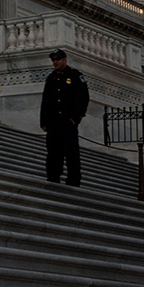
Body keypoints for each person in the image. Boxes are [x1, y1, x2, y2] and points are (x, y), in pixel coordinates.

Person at [40, 48, 89, 185]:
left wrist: (75, 118)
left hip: (67, 122)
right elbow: (46, 100)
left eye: (58, 59)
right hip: (53, 123)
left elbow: (83, 98)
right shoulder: (51, 77)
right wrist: (43, 121)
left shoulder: (74, 76)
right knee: (53, 153)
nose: (55, 62)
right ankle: (53, 176)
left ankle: (73, 179)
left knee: (71, 153)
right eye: (53, 59)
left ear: (65, 60)